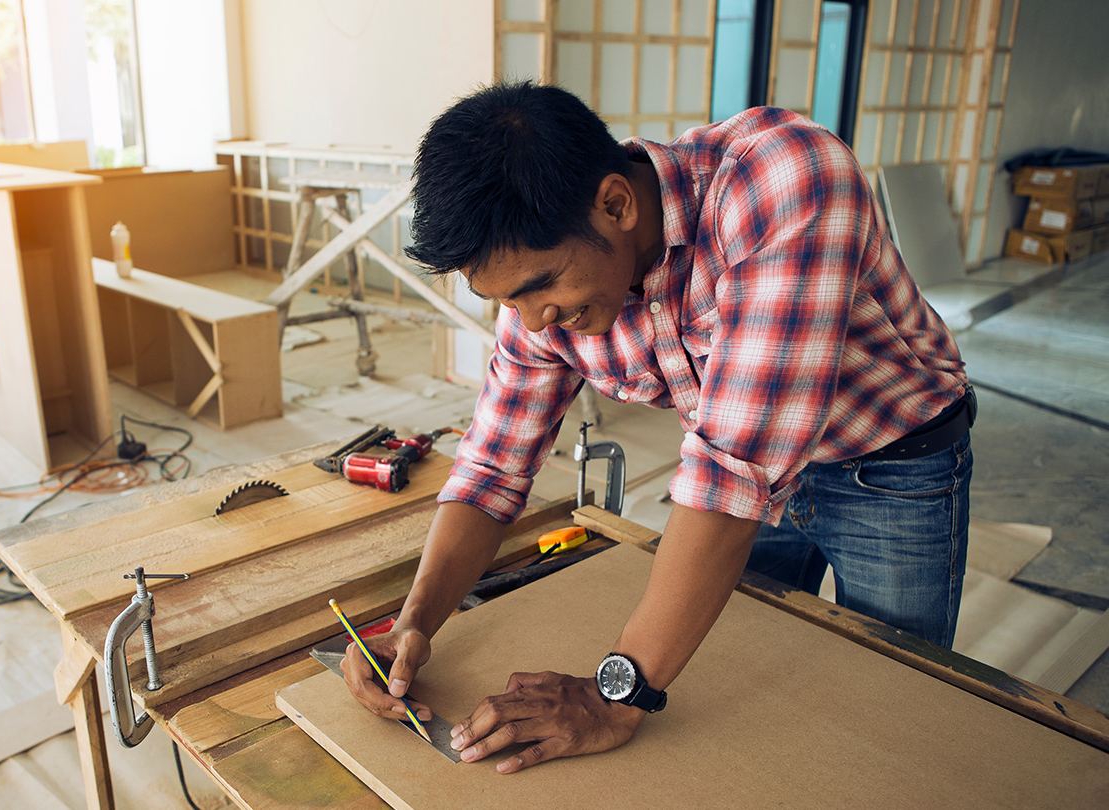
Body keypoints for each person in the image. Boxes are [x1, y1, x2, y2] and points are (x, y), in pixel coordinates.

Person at [341, 82, 973, 774]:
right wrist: (414, 622)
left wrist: (617, 696)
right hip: (745, 480)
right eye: (505, 300)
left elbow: (732, 474)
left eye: (539, 288)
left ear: (616, 203)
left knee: (893, 707)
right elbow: (492, 467)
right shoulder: (541, 281)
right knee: (766, 688)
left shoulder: (784, 180)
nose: (531, 321)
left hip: (888, 461)